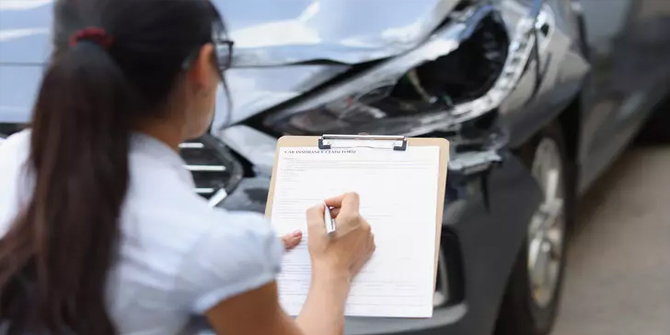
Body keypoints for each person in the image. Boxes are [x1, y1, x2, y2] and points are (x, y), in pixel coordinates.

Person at [0, 0, 376, 334]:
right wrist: (333, 269)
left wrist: (229, 272)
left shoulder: (10, 159)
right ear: (201, 68)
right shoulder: (215, 246)